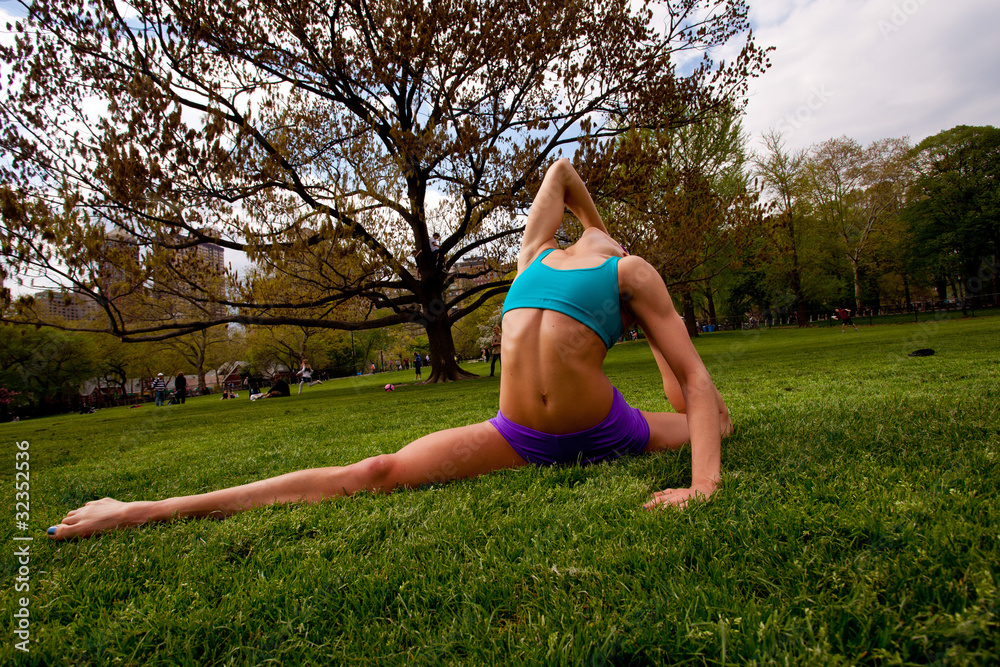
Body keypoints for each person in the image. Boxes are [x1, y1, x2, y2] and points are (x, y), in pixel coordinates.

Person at [47, 159, 731, 540]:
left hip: (609, 429)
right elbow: (559, 170)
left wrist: (702, 489)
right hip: (516, 435)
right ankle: (141, 510)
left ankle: (710, 446)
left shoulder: (629, 272)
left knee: (715, 420)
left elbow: (694, 381)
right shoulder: (531, 257)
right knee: (373, 469)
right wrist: (595, 220)